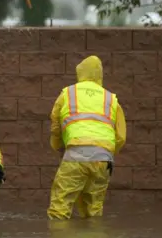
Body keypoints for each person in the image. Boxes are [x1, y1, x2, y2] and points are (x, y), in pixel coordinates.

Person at [47, 55, 127, 220]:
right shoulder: (111, 98)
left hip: (76, 154)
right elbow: (121, 136)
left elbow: (55, 125)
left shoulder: (68, 93)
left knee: (60, 208)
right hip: (103, 159)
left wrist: (58, 146)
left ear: (80, 73)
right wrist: (107, 153)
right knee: (94, 210)